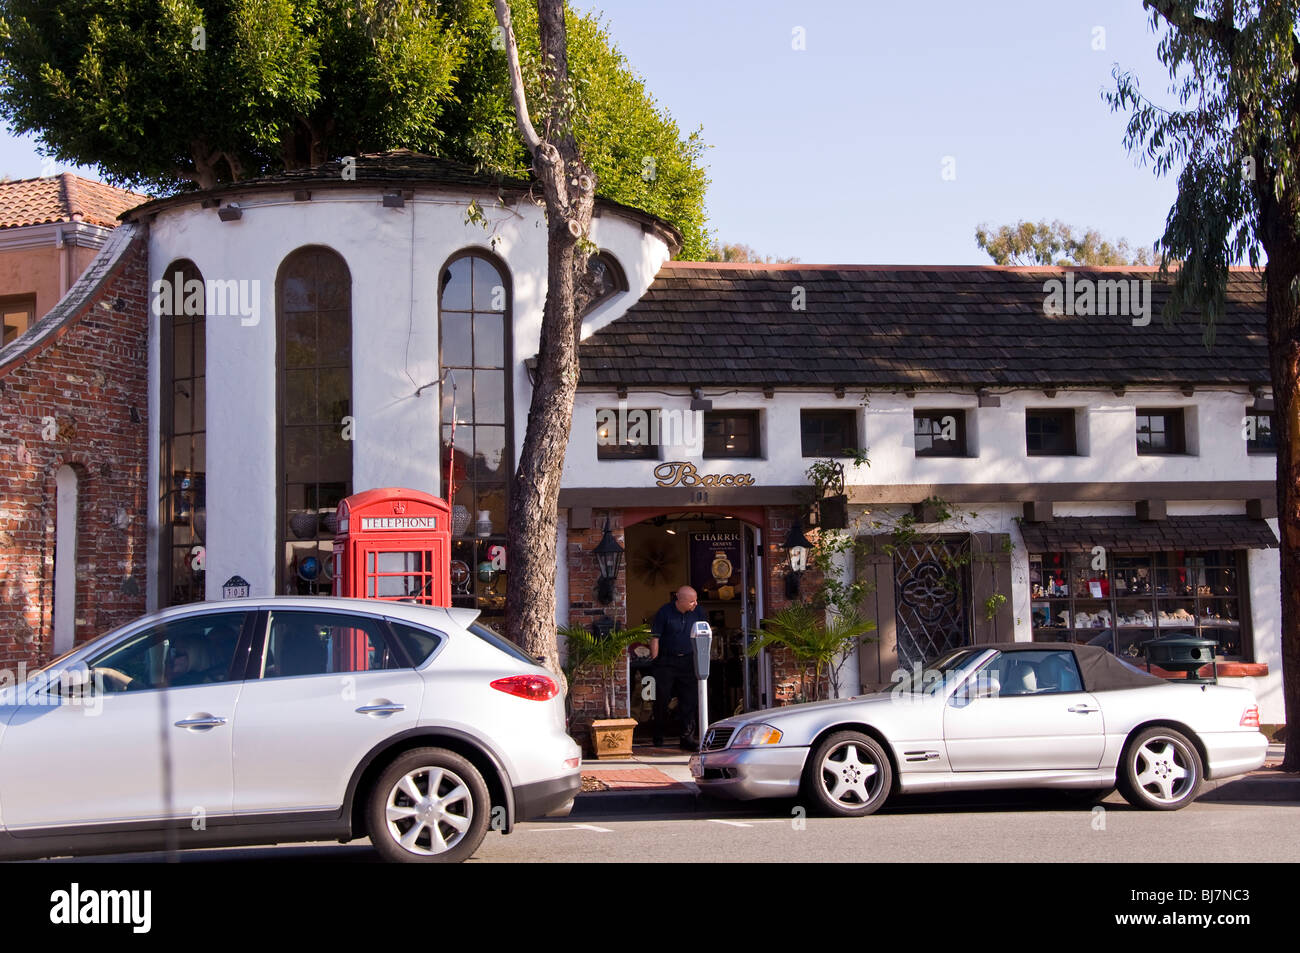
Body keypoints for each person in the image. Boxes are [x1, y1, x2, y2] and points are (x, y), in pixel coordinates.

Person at [649, 586, 707, 749]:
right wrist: (655, 661)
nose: (695, 603)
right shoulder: (664, 612)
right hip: (666, 662)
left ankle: (686, 738)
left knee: (689, 700)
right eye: (691, 601)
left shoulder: (699, 612)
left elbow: (706, 634)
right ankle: (658, 736)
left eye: (696, 600)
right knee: (661, 699)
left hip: (689, 661)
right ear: (679, 600)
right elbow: (655, 638)